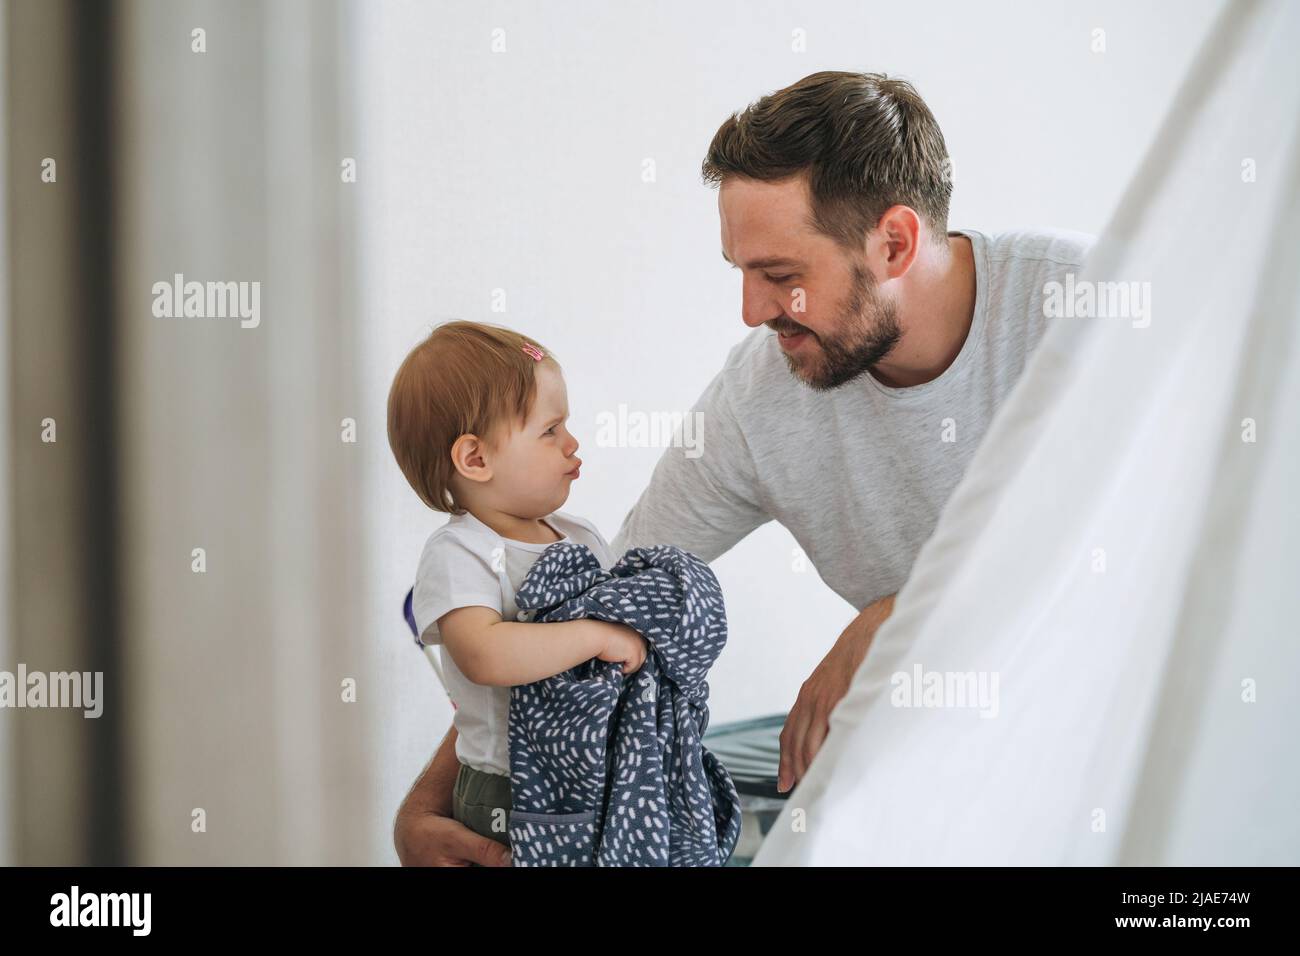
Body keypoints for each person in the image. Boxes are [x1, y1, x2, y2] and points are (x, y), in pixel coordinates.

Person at [394, 70, 1094, 865]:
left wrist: (900, 615)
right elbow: (591, 610)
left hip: (1104, 734)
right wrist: (433, 804)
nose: (753, 312)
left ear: (894, 242)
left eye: (782, 278)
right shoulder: (763, 394)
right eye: (741, 271)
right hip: (924, 746)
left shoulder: (1090, 310)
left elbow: (1161, 565)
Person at [388, 321, 647, 865]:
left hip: (593, 772)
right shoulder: (460, 553)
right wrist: (595, 636)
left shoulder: (579, 535)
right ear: (475, 459)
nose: (572, 442)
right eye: (550, 430)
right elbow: (484, 655)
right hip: (507, 790)